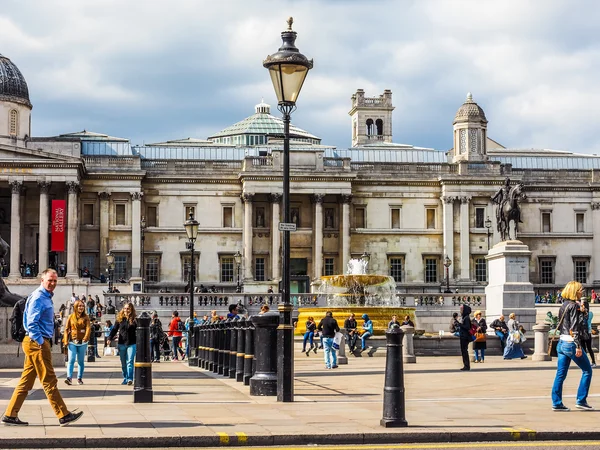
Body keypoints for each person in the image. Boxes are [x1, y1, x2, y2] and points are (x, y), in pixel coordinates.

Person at [2, 268, 83, 426]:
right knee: (49, 380)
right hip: (36, 343)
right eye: (49, 280)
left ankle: (10, 414)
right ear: (42, 280)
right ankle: (63, 414)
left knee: (26, 381)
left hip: (34, 342)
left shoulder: (44, 296)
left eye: (54, 281)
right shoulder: (39, 297)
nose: (52, 283)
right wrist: (40, 342)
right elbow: (32, 323)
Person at [551, 281, 594, 411]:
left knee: (560, 374)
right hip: (571, 343)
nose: (582, 292)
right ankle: (581, 400)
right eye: (580, 290)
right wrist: (578, 346)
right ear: (575, 291)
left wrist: (583, 311)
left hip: (562, 343)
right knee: (587, 371)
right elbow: (574, 327)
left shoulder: (563, 305)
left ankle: (556, 402)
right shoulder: (574, 306)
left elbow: (564, 323)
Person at [107, 302, 138, 385]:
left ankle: (130, 379)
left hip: (132, 343)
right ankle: (125, 377)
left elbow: (139, 330)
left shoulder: (135, 319)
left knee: (130, 361)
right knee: (123, 363)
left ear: (131, 310)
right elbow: (114, 329)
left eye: (128, 308)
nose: (126, 310)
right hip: (121, 343)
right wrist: (110, 338)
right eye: (125, 308)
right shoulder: (120, 319)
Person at [581, 301, 596, 368]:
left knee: (585, 348)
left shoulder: (583, 314)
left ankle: (587, 362)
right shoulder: (590, 313)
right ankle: (592, 362)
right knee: (588, 348)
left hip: (584, 332)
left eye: (583, 305)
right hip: (587, 332)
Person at [458, 304, 472, 371]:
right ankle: (465, 365)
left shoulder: (466, 318)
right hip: (463, 336)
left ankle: (467, 365)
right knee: (463, 351)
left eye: (461, 309)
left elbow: (467, 327)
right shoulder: (464, 317)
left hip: (465, 337)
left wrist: (460, 325)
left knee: (464, 351)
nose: (460, 311)